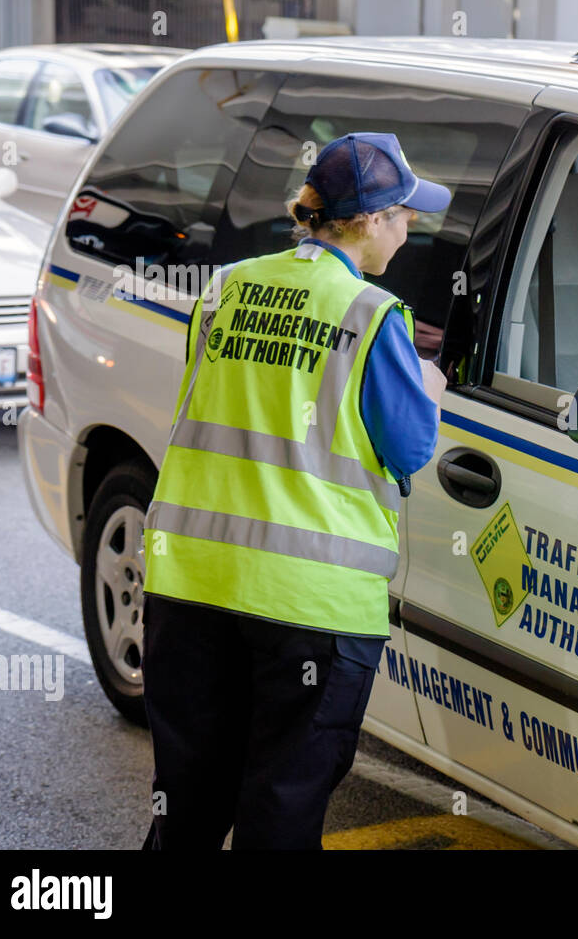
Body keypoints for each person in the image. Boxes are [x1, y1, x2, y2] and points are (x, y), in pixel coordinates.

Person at [139, 132, 448, 849]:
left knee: (183, 808)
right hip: (310, 605)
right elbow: (407, 450)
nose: (409, 231)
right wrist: (426, 388)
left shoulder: (226, 288)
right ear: (370, 221)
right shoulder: (373, 317)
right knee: (280, 811)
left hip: (191, 586)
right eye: (404, 215)